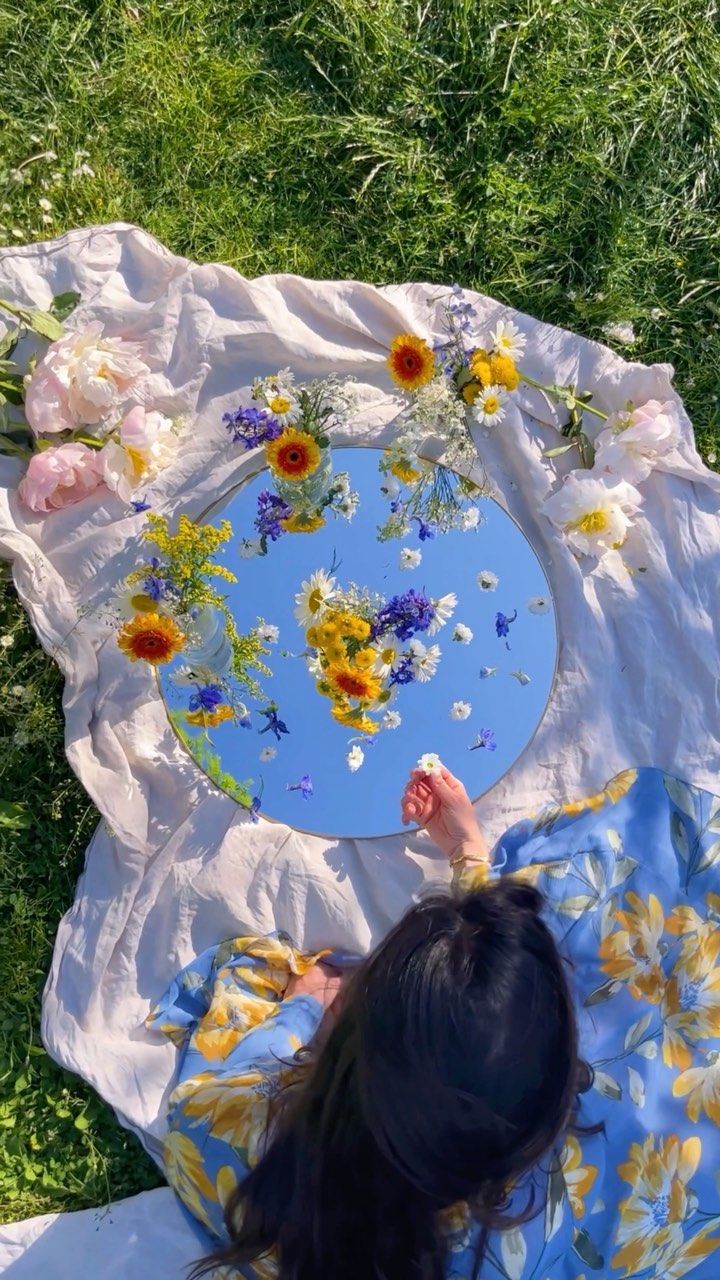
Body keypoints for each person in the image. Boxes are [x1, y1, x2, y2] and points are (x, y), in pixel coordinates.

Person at [149, 765, 720, 1279]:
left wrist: (302, 1003)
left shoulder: (256, 1154)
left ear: (350, 1045)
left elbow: (209, 1091)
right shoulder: (617, 1167)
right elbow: (486, 1028)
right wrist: (471, 861)